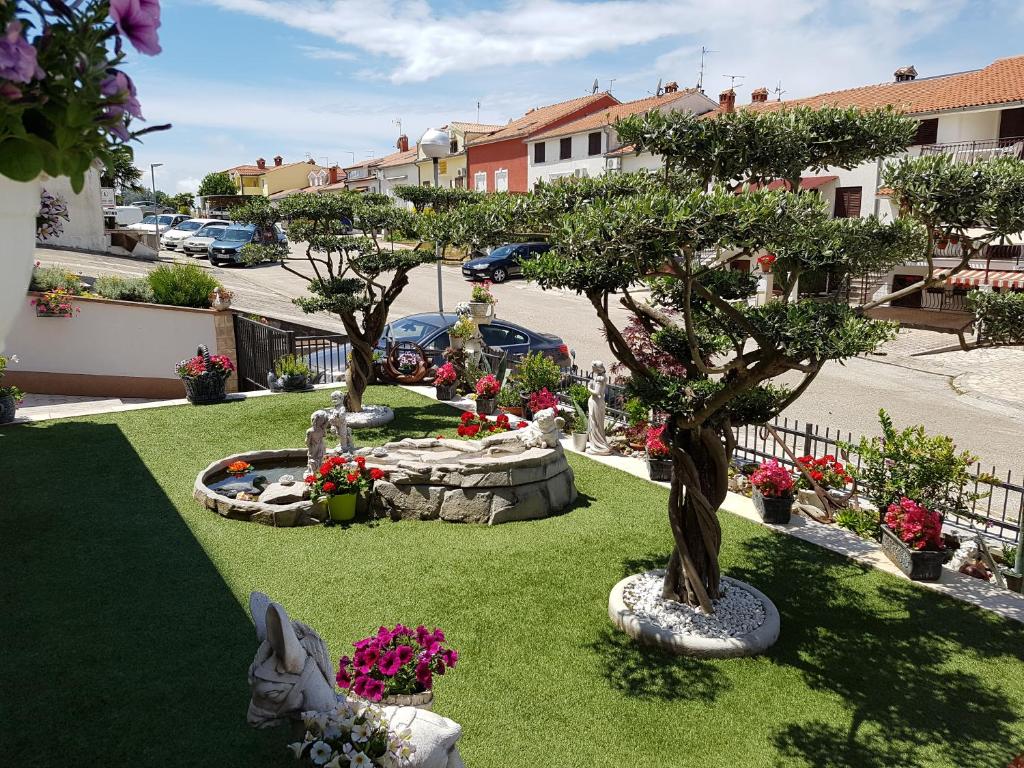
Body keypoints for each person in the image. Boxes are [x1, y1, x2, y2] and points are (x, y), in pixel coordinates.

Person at [586, 361, 612, 455]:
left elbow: (596, 392)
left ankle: (598, 445)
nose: (592, 369)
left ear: (596, 368)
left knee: (595, 423)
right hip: (597, 402)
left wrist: (588, 387)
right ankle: (596, 444)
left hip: (596, 402)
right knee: (595, 423)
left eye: (593, 367)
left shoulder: (600, 378)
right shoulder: (600, 377)